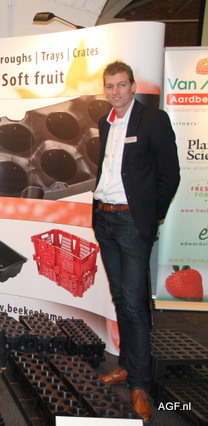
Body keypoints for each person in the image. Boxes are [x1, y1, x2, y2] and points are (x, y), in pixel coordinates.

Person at [93, 61, 180, 422]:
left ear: (133, 86)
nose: (115, 91)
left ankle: (140, 384)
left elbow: (170, 175)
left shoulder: (153, 120)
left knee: (134, 304)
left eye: (121, 85)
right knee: (120, 298)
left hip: (132, 222)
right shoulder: (105, 122)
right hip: (104, 218)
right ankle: (126, 367)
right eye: (109, 86)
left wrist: (150, 217)